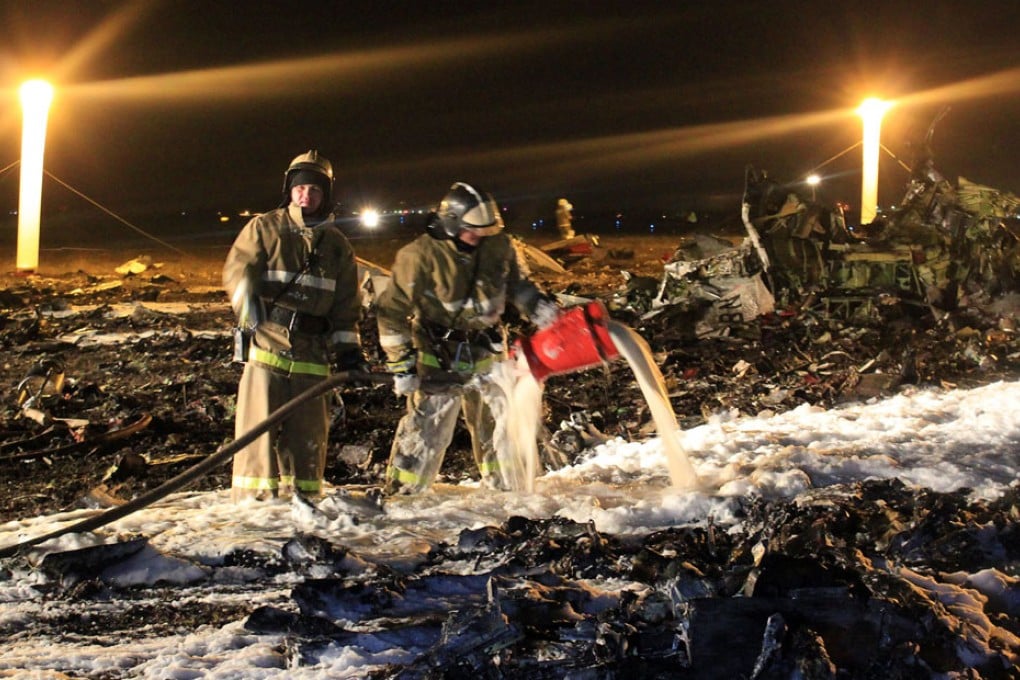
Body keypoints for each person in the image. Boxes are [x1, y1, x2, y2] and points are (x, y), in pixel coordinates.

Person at [376, 181, 560, 494]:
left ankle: (507, 493)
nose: (480, 237)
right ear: (451, 224)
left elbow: (519, 286)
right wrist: (402, 365)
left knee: (499, 428)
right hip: (438, 357)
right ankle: (405, 499)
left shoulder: (499, 246)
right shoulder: (420, 255)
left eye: (486, 230)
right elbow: (391, 312)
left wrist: (541, 309)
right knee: (427, 431)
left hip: (488, 354)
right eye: (472, 231)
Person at [222, 150, 368, 501]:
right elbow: (238, 273)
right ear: (289, 189)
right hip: (268, 348)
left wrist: (349, 351)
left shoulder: (337, 247)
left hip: (312, 356)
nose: (306, 196)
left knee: (309, 441)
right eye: (300, 188)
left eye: (315, 190)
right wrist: (249, 312)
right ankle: (254, 509)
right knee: (257, 437)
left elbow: (347, 306)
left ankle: (306, 505)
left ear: (325, 196)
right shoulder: (265, 228)